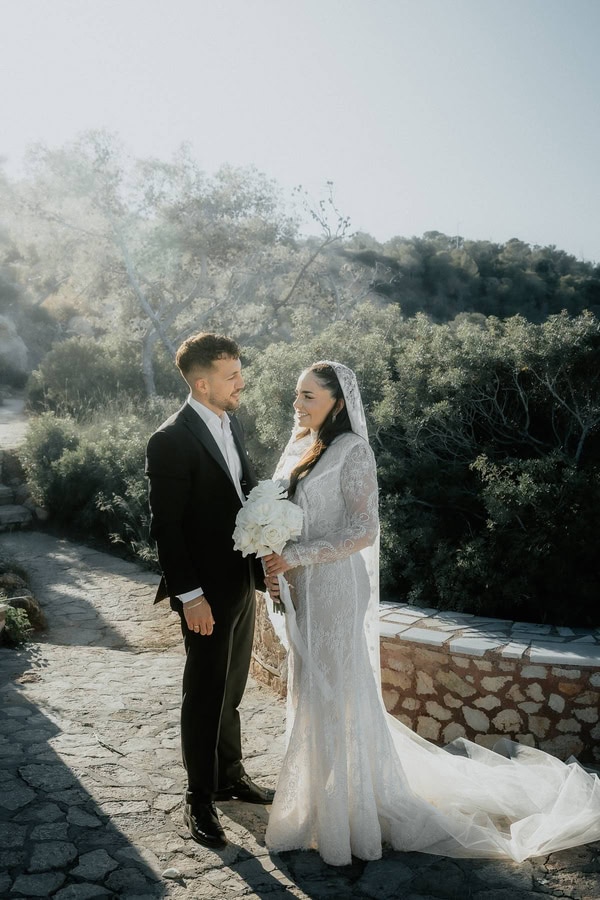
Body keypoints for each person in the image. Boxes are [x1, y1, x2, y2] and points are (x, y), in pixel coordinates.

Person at [263, 361, 600, 867]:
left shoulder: (354, 451)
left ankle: (348, 815)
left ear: (336, 401)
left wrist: (299, 555)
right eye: (297, 395)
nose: (298, 404)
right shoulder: (303, 447)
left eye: (308, 396)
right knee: (310, 690)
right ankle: (313, 801)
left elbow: (363, 531)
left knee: (336, 691)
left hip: (334, 588)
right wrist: (274, 556)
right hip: (303, 588)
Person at [145, 332, 274, 850]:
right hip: (204, 592)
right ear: (202, 383)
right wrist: (191, 596)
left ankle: (228, 776)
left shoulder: (230, 421)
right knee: (204, 692)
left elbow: (239, 492)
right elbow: (167, 527)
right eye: (231, 375)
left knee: (233, 685)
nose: (240, 382)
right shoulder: (170, 439)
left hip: (241, 579)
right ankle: (199, 798)